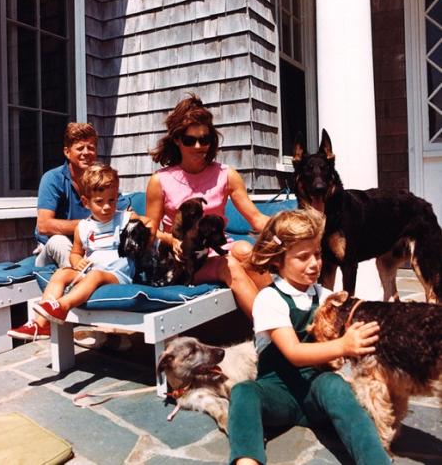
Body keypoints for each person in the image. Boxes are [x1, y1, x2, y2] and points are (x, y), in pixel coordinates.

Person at [227, 208, 391, 465]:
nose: (314, 263)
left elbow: (352, 316)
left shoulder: (323, 295)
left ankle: (375, 460)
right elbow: (294, 353)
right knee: (243, 393)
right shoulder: (269, 299)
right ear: (278, 261)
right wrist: (344, 346)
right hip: (277, 394)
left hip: (315, 393)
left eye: (317, 254)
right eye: (303, 257)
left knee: (335, 385)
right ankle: (247, 460)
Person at [146, 94, 270, 318]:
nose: (198, 146)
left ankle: (287, 318)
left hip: (218, 249)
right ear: (176, 140)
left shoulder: (226, 175)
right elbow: (150, 232)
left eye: (205, 139)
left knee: (245, 250)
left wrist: (292, 229)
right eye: (189, 140)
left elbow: (257, 219)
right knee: (229, 265)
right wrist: (172, 239)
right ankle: (273, 332)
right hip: (185, 260)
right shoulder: (160, 180)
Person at [9, 165, 152, 340]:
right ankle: (41, 325)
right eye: (99, 202)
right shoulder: (83, 227)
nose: (107, 207)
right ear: (86, 202)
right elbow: (76, 253)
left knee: (96, 276)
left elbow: (150, 224)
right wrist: (77, 262)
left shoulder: (124, 218)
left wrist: (152, 237)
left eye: (112, 200)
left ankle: (61, 306)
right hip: (91, 272)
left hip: (117, 275)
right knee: (61, 273)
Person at [34, 122, 128, 269]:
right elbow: (44, 225)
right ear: (67, 152)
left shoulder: (100, 180)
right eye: (80, 148)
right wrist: (91, 226)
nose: (86, 152)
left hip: (90, 247)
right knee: (59, 241)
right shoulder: (53, 178)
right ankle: (76, 284)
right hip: (52, 249)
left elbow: (125, 212)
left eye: (90, 147)